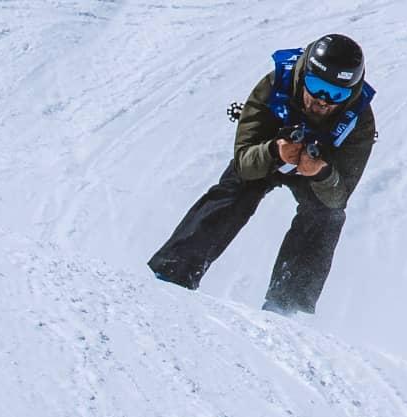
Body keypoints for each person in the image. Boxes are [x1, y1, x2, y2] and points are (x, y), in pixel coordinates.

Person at [148, 34, 377, 315]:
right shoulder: (274, 86)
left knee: (327, 215)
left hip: (315, 171)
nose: (322, 101)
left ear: (351, 92)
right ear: (304, 75)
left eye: (337, 94)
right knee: (237, 187)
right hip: (270, 155)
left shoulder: (360, 120)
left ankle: (289, 304)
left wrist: (322, 173)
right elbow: (244, 159)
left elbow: (339, 195)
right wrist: (273, 151)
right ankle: (173, 271)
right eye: (316, 87)